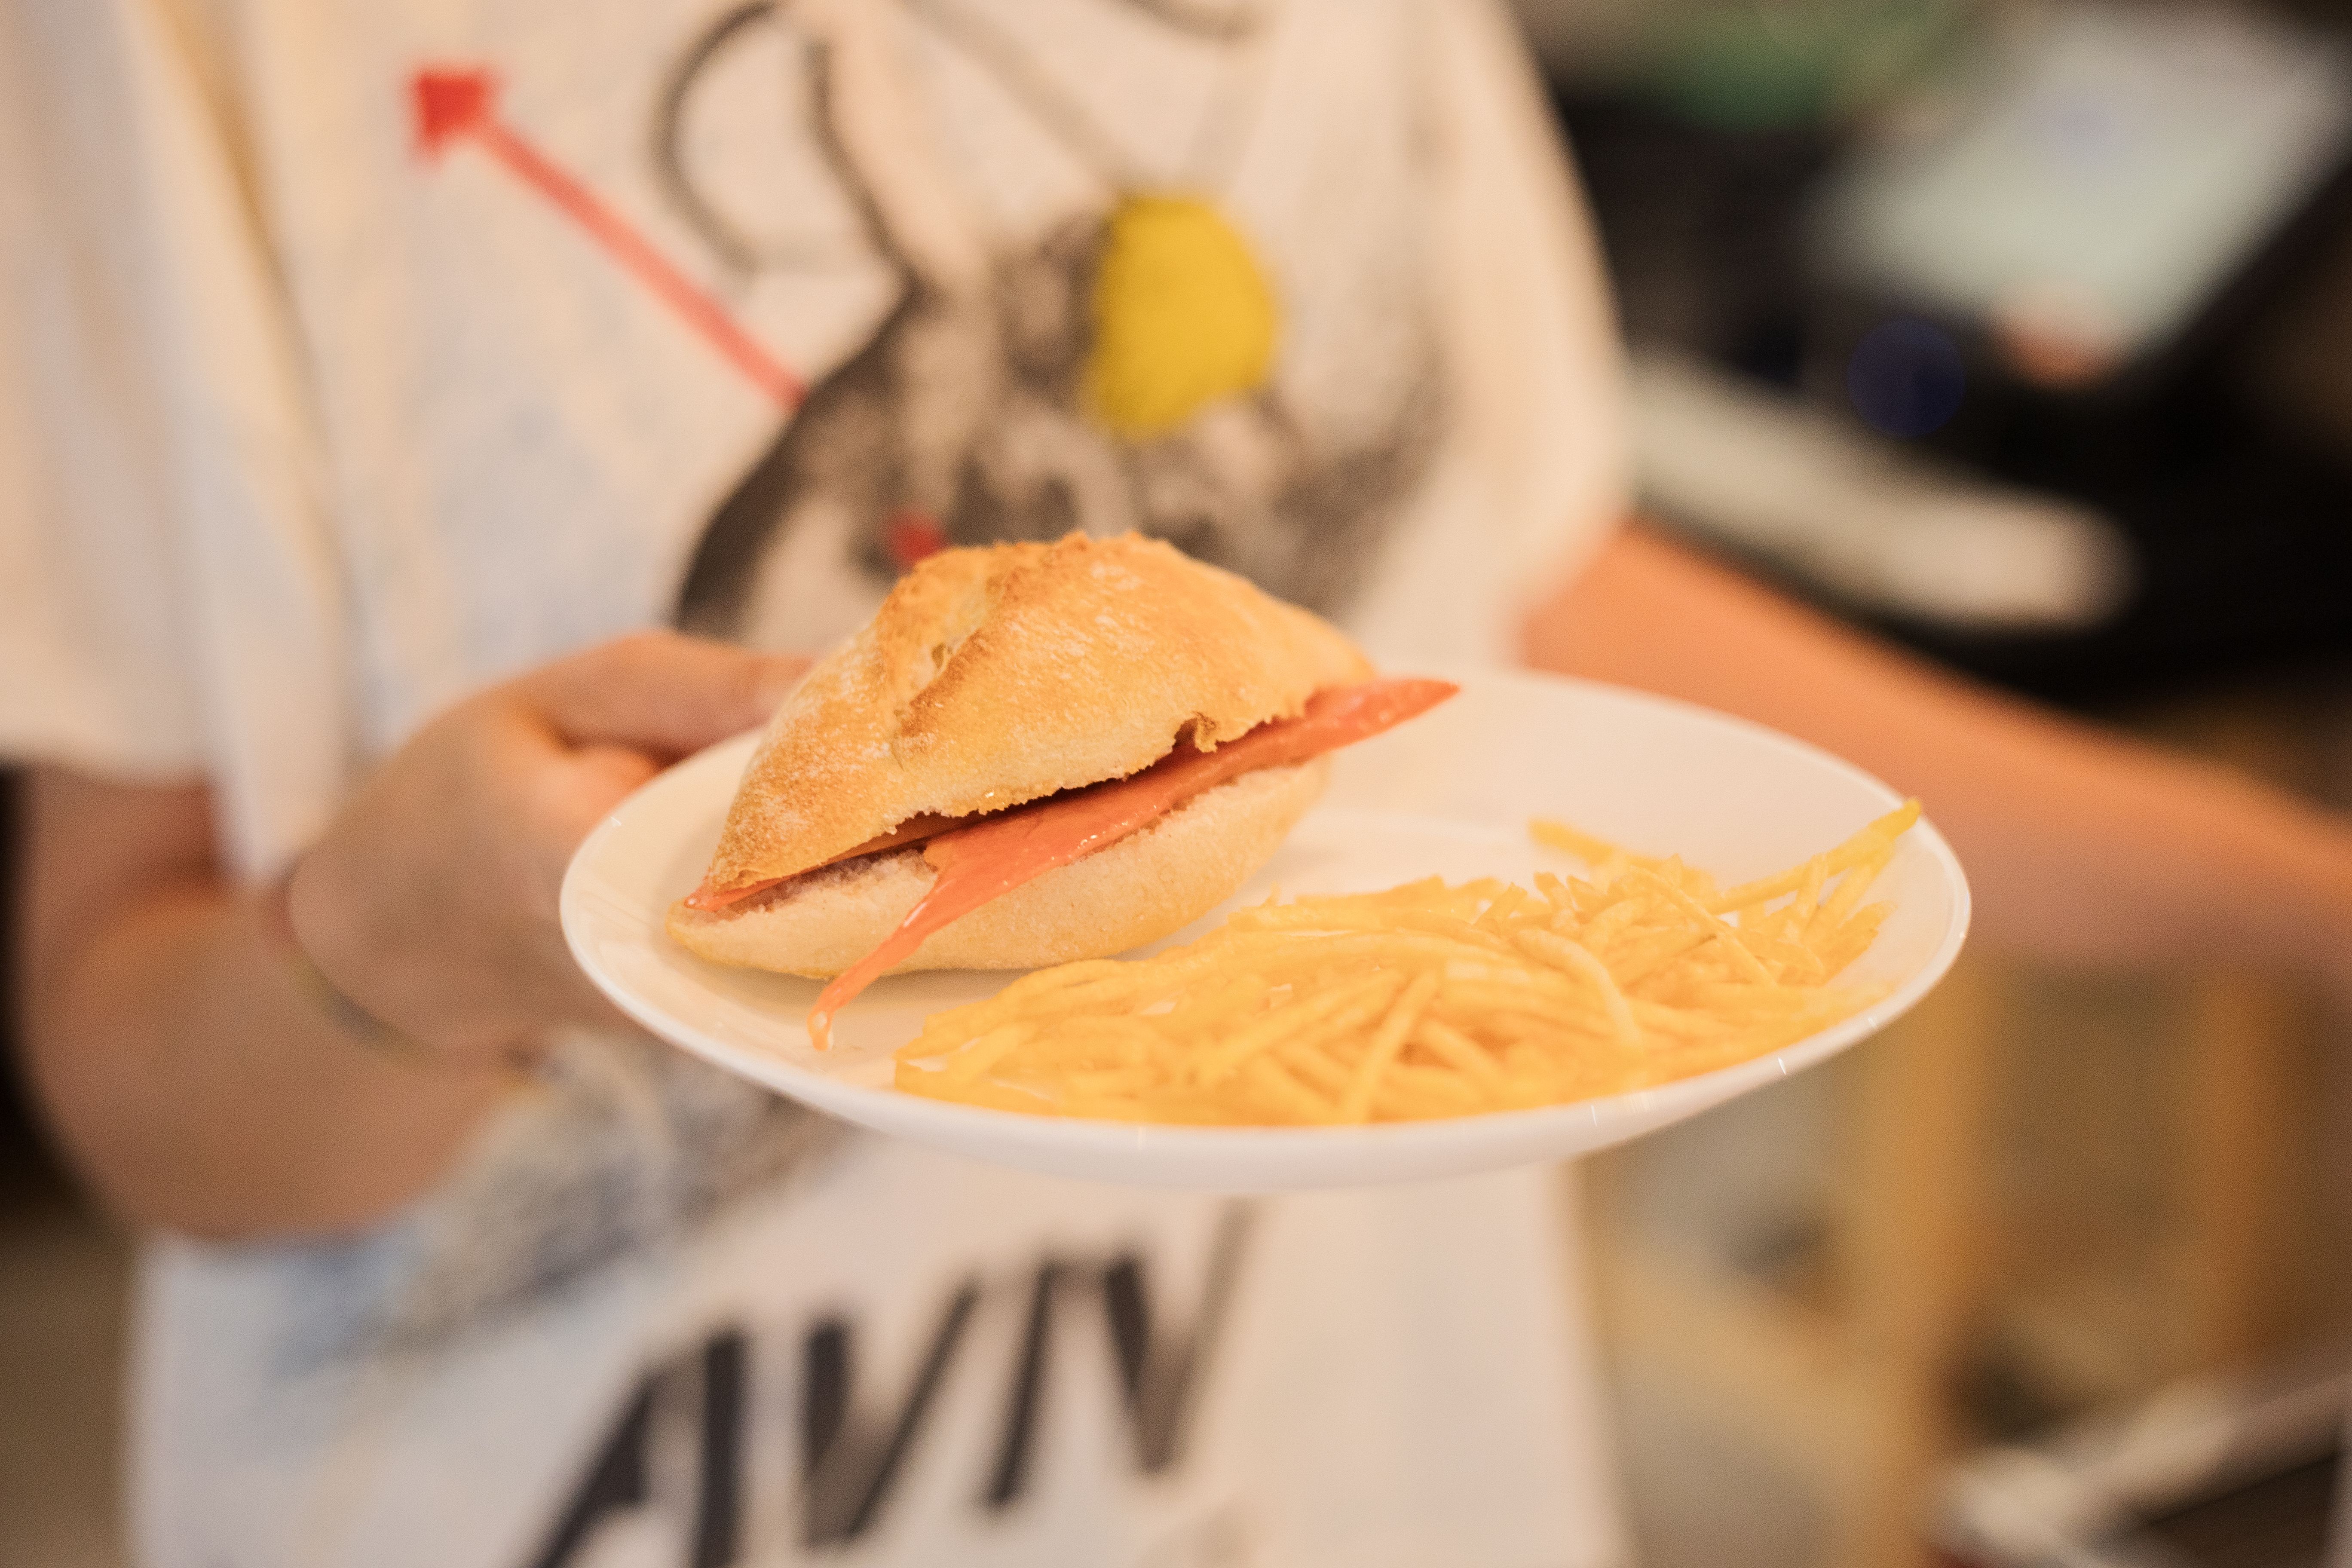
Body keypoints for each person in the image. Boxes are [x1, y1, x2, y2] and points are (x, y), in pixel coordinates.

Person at [7, 3, 2352, 1567]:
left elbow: (1500, 600)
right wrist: (397, 950)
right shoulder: (171, 49)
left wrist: (2295, 886)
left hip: (1367, 1486)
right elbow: (136, 1096)